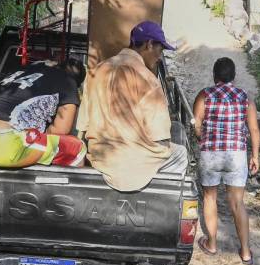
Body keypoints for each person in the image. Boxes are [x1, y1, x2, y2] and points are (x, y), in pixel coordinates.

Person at [76, 21, 185, 192]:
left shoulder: (96, 71)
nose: (159, 56)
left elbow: (82, 126)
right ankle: (158, 201)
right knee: (180, 154)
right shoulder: (148, 80)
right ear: (149, 44)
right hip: (134, 168)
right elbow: (160, 137)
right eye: (160, 50)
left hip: (100, 158)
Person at [192, 57, 260, 264]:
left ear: (214, 76)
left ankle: (212, 244)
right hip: (236, 155)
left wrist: (201, 138)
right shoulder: (245, 97)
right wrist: (255, 155)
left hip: (211, 153)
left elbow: (196, 123)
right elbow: (254, 129)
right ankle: (246, 252)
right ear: (234, 76)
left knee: (210, 198)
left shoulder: (205, 95)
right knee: (237, 203)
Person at [0, 60, 85, 168]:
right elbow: (61, 130)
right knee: (78, 148)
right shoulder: (68, 82)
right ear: (77, 82)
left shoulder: (25, 70)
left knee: (33, 137)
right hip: (2, 144)